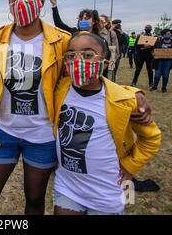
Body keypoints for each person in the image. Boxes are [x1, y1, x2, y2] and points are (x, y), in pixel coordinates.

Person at [0, 0, 154, 216]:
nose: (20, 0)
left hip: (43, 137)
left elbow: (89, 76)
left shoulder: (61, 39)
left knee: (34, 201)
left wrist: (133, 93)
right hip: (4, 134)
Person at [52, 32, 161, 215]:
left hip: (106, 191)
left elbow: (151, 139)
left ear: (105, 63)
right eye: (71, 55)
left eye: (87, 55)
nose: (78, 61)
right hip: (67, 185)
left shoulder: (124, 100)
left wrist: (130, 166)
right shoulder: (60, 89)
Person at [98, 15, 120, 80]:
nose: (99, 23)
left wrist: (110, 63)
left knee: (107, 81)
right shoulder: (92, 32)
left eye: (102, 21)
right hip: (95, 63)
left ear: (106, 23)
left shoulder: (111, 34)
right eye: (98, 21)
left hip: (108, 63)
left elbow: (116, 52)